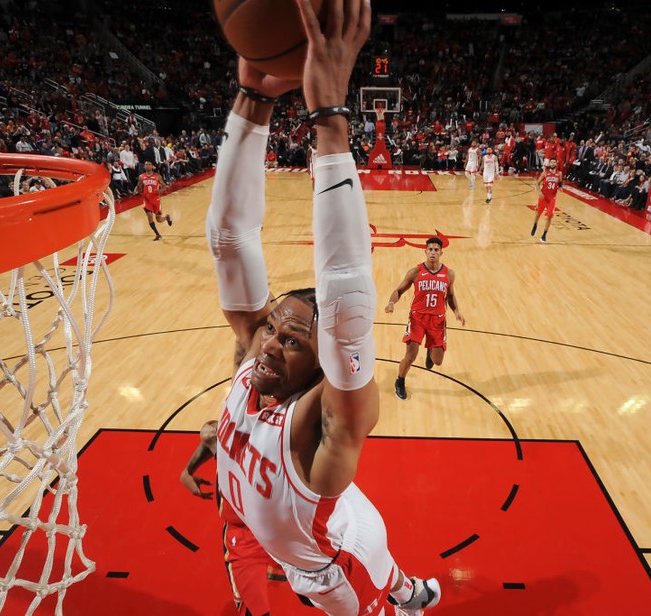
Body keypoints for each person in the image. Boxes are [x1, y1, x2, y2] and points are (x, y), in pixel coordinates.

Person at [206, 1, 440, 614]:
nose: (270, 341)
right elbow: (231, 240)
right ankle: (408, 586)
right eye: (273, 327)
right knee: (366, 538)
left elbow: (344, 289)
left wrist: (330, 121)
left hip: (336, 570)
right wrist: (250, 100)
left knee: (374, 572)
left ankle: (401, 595)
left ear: (322, 370)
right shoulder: (254, 362)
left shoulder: (326, 425)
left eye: (293, 341)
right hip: (307, 524)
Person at [181, 421, 281, 616]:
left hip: (275, 528)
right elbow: (210, 433)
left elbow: (209, 433)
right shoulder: (230, 441)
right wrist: (187, 471)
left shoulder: (273, 440)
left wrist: (188, 471)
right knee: (255, 609)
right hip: (247, 535)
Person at [385, 237, 465, 401]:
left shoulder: (449, 274)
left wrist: (457, 311)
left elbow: (450, 296)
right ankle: (400, 381)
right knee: (411, 356)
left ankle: (430, 351)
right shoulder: (415, 272)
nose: (433, 253)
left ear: (441, 252)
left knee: (438, 361)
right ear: (425, 251)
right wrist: (391, 302)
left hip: (437, 321)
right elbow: (399, 290)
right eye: (430, 249)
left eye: (436, 250)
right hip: (417, 319)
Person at [136, 160, 173, 241]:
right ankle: (158, 235)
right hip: (146, 200)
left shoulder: (157, 176)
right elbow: (139, 186)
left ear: (152, 166)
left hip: (156, 199)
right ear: (144, 167)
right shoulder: (141, 177)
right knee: (149, 217)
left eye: (149, 164)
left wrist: (160, 191)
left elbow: (164, 185)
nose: (148, 166)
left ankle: (166, 218)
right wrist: (137, 190)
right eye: (146, 164)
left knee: (158, 219)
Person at [530, 157, 563, 243]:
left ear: (556, 164)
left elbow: (560, 183)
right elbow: (537, 184)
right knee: (538, 213)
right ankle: (535, 225)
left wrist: (560, 188)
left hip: (552, 197)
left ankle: (544, 234)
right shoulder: (545, 173)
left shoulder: (559, 173)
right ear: (549, 164)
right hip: (544, 196)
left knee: (549, 216)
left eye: (554, 162)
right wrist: (539, 192)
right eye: (551, 162)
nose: (552, 164)